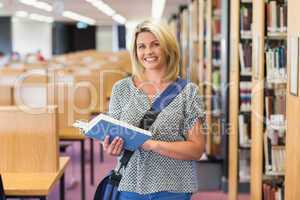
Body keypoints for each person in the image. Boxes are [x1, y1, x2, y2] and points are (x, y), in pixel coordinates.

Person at [103, 20, 206, 200]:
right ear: (135, 52)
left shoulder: (188, 91)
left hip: (174, 187)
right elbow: (116, 135)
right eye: (141, 46)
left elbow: (197, 149)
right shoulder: (121, 89)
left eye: (155, 44)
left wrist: (153, 144)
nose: (148, 52)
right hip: (130, 185)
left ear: (168, 48)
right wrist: (112, 147)